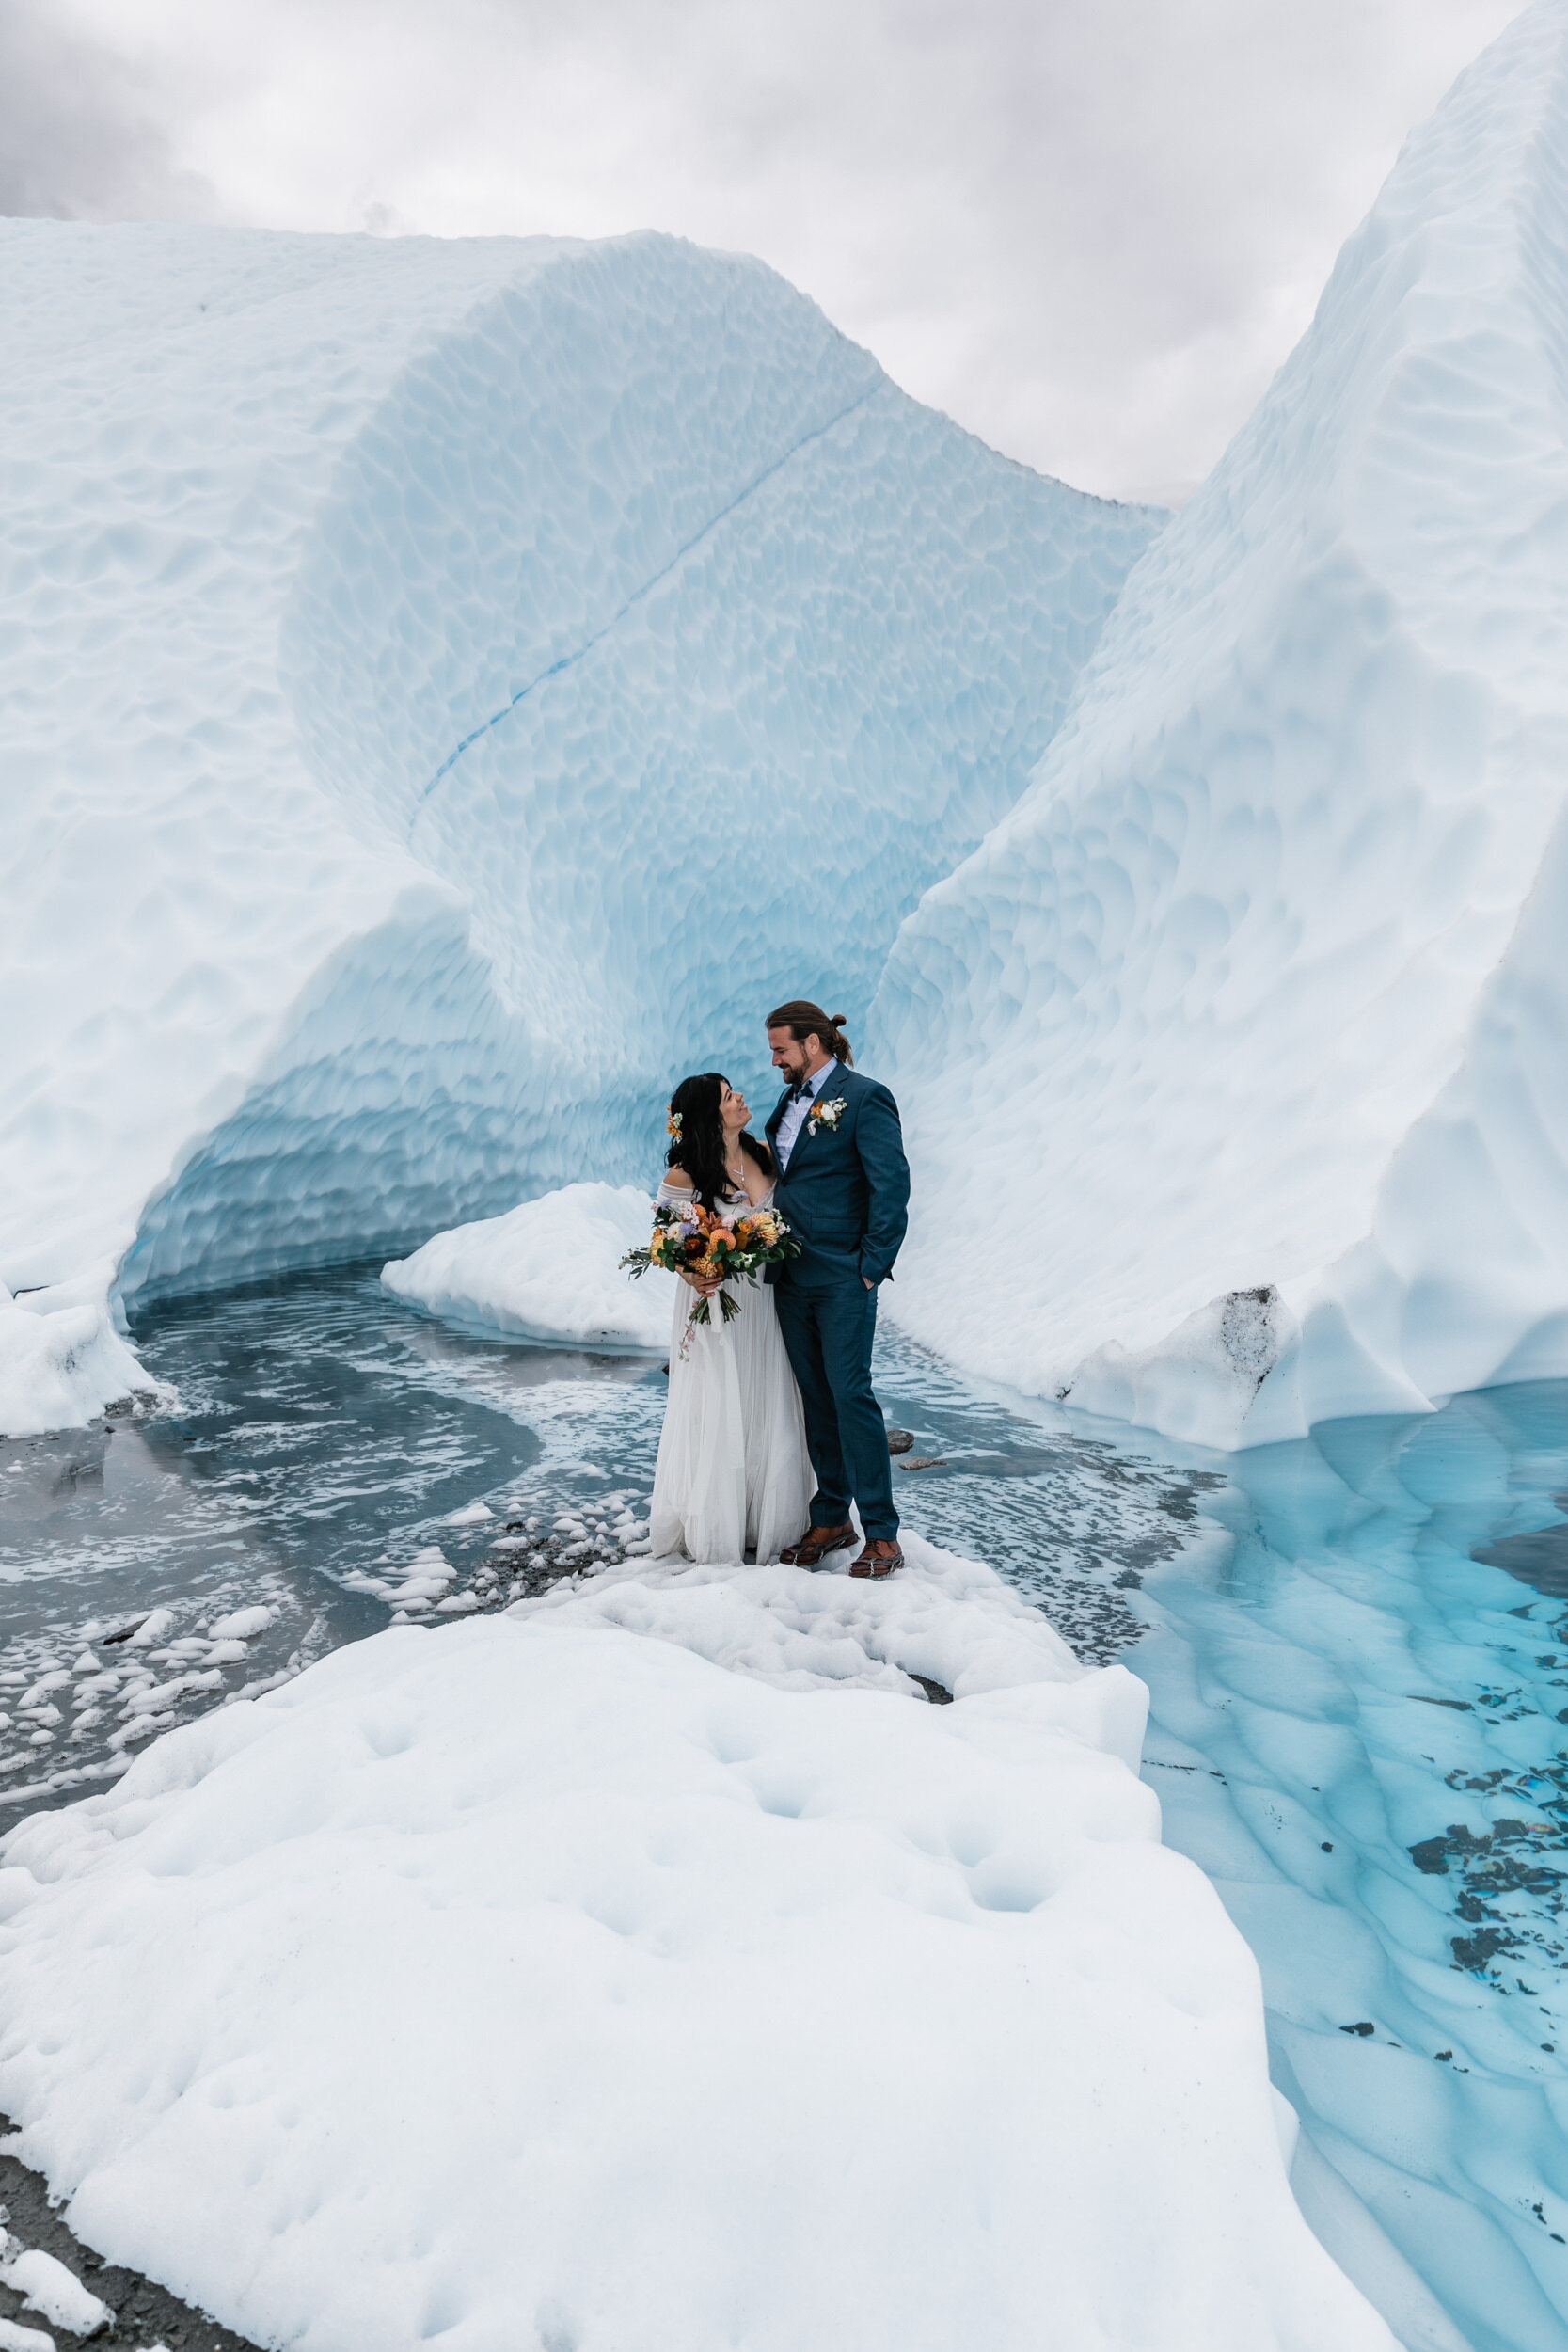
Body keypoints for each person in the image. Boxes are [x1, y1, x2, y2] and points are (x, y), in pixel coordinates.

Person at [764, 1000, 911, 1579]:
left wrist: (872, 1265)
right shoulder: (789, 1098)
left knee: (851, 1396)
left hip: (845, 1276)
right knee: (816, 1399)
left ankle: (883, 1534)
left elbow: (890, 1185)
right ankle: (831, 1517)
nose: (775, 1059)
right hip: (789, 1274)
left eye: (781, 1049)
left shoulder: (867, 1097)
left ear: (813, 1044)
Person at [647, 1071, 814, 1564]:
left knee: (768, 1395)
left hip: (768, 1301)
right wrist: (692, 1272)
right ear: (708, 1116)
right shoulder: (685, 1175)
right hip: (716, 1304)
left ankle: (767, 1518)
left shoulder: (764, 1153)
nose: (739, 1096)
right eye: (727, 1096)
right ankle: (717, 1522)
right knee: (719, 1400)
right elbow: (664, 1244)